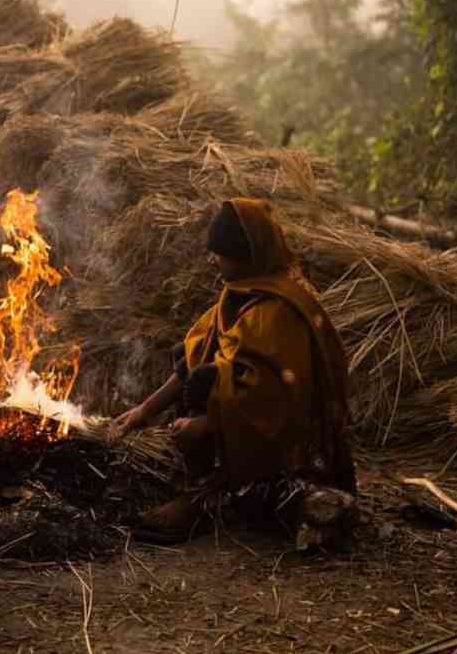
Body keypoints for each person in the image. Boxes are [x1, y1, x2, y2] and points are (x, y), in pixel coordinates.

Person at [112, 198, 357, 547]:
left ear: (247, 257)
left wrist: (204, 425)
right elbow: (193, 360)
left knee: (208, 382)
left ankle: (208, 497)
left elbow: (274, 401)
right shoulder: (239, 295)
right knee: (196, 359)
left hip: (287, 445)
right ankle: (211, 482)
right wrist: (145, 410)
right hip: (241, 425)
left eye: (221, 254)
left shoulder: (279, 311)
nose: (213, 260)